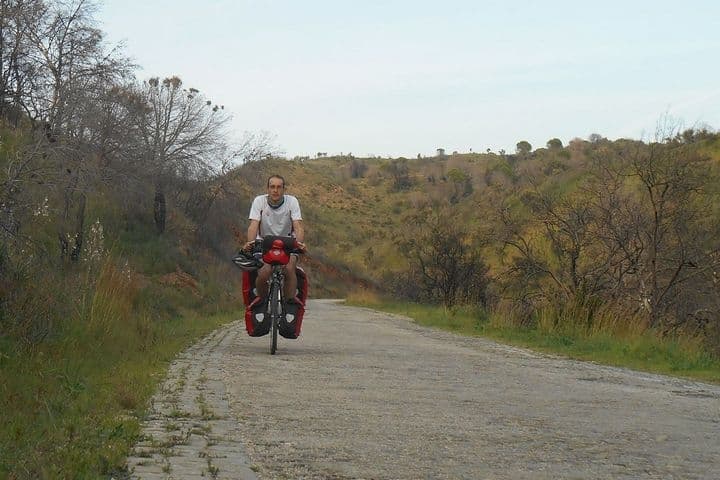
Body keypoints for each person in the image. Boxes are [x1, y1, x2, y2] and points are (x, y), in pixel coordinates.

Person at [244, 174, 306, 304]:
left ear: (284, 189)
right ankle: (263, 302)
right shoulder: (259, 201)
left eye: (279, 187)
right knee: (264, 272)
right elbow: (253, 226)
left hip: (287, 242)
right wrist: (250, 243)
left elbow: (298, 226)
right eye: (272, 187)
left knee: (289, 269)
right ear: (267, 189)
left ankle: (288, 305)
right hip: (264, 242)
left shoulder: (292, 201)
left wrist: (299, 243)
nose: (275, 190)